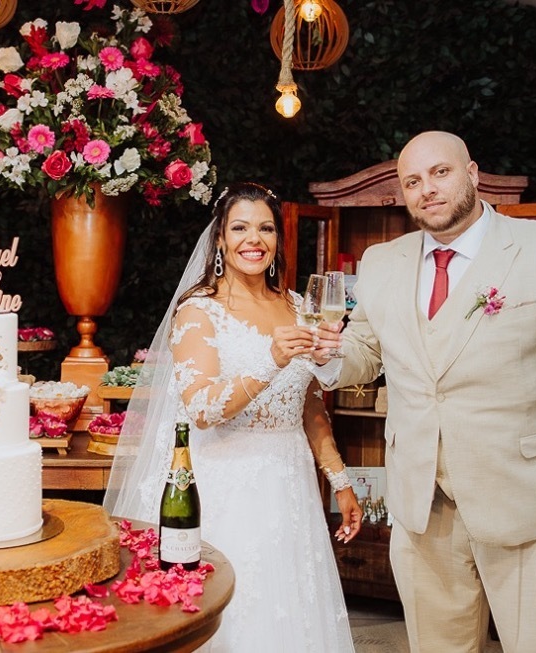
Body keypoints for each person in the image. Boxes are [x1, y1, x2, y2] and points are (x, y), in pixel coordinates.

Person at [314, 131, 536, 652]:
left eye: (440, 173)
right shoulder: (382, 262)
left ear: (472, 174)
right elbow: (366, 352)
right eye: (412, 181)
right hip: (424, 508)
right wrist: (329, 355)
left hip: (533, 499)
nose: (427, 189)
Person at [104, 182, 361, 652]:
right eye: (240, 227)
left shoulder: (299, 308)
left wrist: (341, 481)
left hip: (289, 486)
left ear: (278, 240)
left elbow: (309, 406)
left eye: (265, 228)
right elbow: (202, 409)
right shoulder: (199, 312)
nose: (254, 239)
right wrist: (271, 359)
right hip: (224, 485)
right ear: (220, 239)